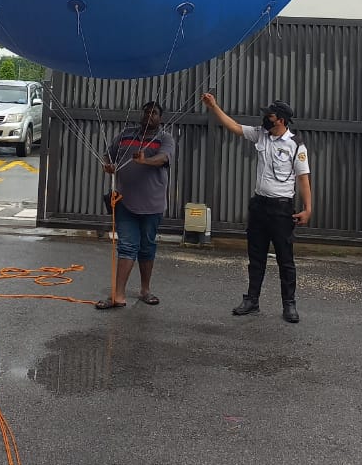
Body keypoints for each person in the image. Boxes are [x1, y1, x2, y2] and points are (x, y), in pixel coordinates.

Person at [201, 94, 311, 322]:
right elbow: (233, 126)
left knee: (285, 259)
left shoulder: (296, 146)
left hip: (282, 210)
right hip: (259, 206)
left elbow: (303, 178)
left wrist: (308, 208)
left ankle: (289, 304)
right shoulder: (261, 135)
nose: (265, 118)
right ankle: (252, 300)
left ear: (280, 120)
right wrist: (213, 106)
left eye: (269, 115)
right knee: (256, 256)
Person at [95, 100, 175, 310]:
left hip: (153, 205)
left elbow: (162, 159)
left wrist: (145, 161)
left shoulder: (165, 138)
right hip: (125, 202)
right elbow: (108, 154)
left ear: (161, 118)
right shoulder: (125, 135)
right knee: (127, 246)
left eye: (154, 113)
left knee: (147, 247)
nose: (149, 115)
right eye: (147, 112)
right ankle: (118, 295)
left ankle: (145, 290)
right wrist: (108, 166)